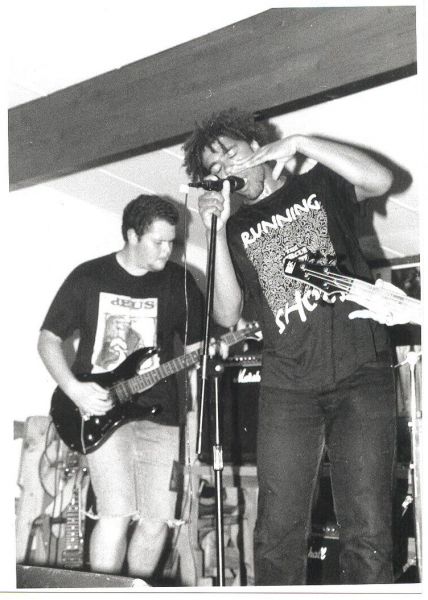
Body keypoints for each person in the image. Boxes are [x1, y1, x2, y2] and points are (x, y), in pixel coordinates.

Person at [183, 108, 398, 585]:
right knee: (276, 531)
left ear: (257, 146)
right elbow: (226, 314)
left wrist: (299, 141)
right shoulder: (234, 228)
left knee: (367, 529)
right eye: (215, 168)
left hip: (361, 371)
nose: (226, 169)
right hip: (288, 386)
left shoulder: (319, 183)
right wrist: (213, 232)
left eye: (230, 153)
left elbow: (381, 179)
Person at [37, 195, 204, 581]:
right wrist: (75, 390)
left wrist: (209, 362)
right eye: (158, 242)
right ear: (131, 235)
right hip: (101, 410)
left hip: (163, 416)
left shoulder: (180, 283)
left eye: (172, 242)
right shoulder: (89, 277)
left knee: (157, 521)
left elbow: (196, 352)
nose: (167, 250)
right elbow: (48, 340)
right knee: (115, 513)